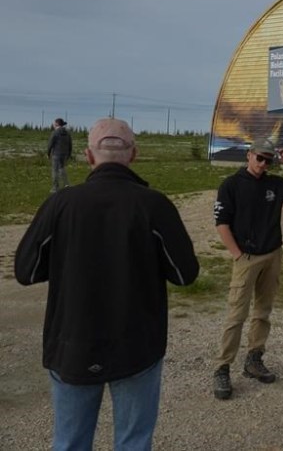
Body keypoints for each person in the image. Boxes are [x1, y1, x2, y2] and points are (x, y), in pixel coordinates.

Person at [15, 117, 200, 449]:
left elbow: (26, 271)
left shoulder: (60, 205)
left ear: (88, 156)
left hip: (72, 344)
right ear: (134, 155)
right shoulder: (154, 205)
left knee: (70, 442)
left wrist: (66, 261)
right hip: (137, 347)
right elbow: (185, 275)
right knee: (133, 442)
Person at [211, 138, 283, 400]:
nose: (264, 164)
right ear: (249, 155)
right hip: (246, 257)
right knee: (236, 314)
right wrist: (238, 255)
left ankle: (254, 359)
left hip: (272, 254)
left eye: (269, 160)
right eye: (260, 158)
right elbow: (222, 223)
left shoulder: (275, 184)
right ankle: (222, 368)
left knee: (263, 311)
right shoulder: (231, 185)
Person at [47, 117, 73, 192]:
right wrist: (69, 154)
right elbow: (70, 144)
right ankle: (66, 184)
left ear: (57, 124)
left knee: (55, 171)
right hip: (65, 154)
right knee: (62, 169)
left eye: (54, 123)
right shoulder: (67, 133)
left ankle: (55, 187)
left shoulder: (55, 133)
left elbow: (50, 144)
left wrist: (48, 153)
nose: (53, 124)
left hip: (56, 154)